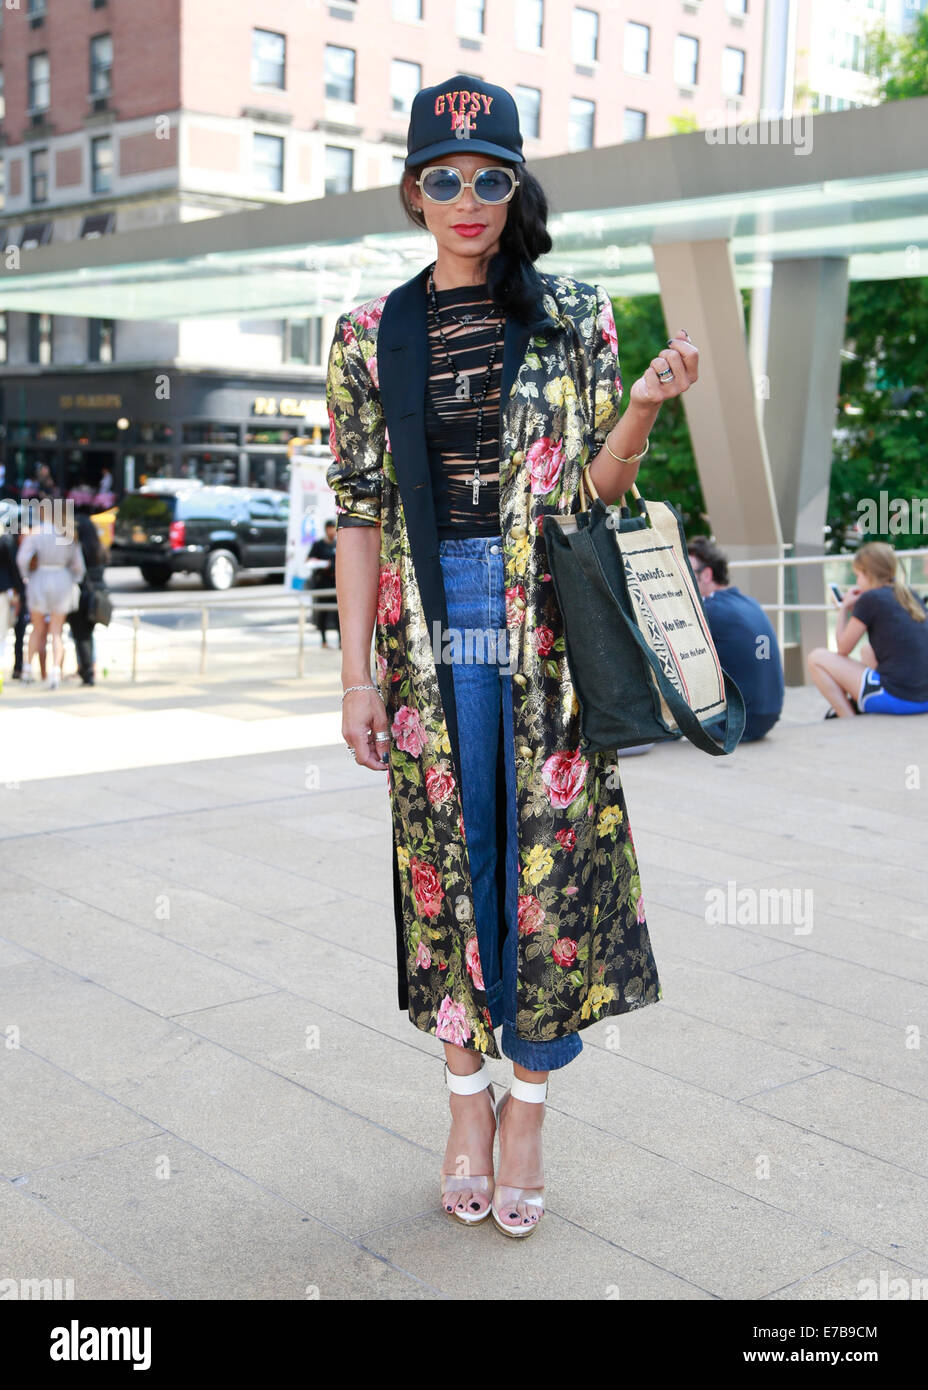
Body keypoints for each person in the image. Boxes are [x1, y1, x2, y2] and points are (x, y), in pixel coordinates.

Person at [325, 74, 699, 1238]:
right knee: (446, 854)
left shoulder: (575, 313)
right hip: (428, 626)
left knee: (548, 863)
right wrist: (355, 676)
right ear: (412, 192)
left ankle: (527, 1104)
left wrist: (640, 406)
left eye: (492, 177)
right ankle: (461, 1103)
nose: (469, 198)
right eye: (445, 178)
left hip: (545, 629)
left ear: (515, 184)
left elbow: (593, 491)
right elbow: (357, 511)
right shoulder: (364, 335)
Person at [807, 541, 928, 717]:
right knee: (867, 650)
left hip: (900, 700)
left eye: (858, 576)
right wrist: (856, 612)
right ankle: (858, 705)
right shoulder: (909, 594)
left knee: (816, 658)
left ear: (868, 574)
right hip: (924, 698)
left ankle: (847, 717)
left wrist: (842, 610)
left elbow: (842, 649)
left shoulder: (870, 599)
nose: (857, 581)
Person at [688, 535, 784, 742]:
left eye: (687, 573)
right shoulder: (750, 603)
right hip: (767, 718)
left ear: (706, 575)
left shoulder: (709, 610)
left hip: (733, 725)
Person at [16, 505, 85, 688]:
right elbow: (79, 566)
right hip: (62, 580)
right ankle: (55, 671)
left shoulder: (36, 533)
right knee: (56, 631)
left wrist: (27, 576)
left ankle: (27, 669)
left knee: (37, 629)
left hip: (39, 579)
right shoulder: (67, 534)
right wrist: (73, 579)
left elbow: (22, 559)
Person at [67, 502, 108, 685]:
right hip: (97, 596)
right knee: (87, 634)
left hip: (82, 593)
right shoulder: (99, 550)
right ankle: (89, 666)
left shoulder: (77, 549)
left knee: (80, 634)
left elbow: (76, 571)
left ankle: (87, 670)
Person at [308, 519, 340, 648]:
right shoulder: (318, 545)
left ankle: (341, 641)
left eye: (333, 528)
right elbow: (310, 560)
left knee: (338, 614)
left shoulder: (338, 544)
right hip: (323, 582)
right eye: (330, 528)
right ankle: (323, 640)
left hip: (335, 583)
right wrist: (322, 564)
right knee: (323, 613)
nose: (331, 530)